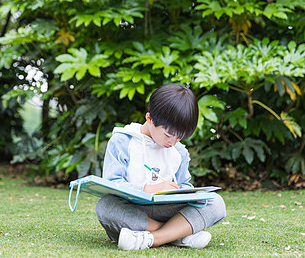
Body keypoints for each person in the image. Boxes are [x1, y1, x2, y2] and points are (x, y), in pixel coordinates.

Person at [95, 84, 226, 250]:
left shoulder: (179, 152)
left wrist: (186, 192)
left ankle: (152, 238)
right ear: (149, 118)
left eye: (180, 138)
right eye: (168, 135)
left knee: (216, 202)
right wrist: (148, 189)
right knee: (105, 206)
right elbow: (112, 184)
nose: (172, 142)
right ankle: (178, 235)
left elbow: (184, 185)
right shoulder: (122, 141)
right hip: (134, 212)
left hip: (167, 211)